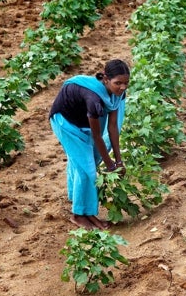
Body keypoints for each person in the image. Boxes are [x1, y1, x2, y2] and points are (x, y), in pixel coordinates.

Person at [50, 59, 130, 229]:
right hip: (66, 122)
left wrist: (119, 161)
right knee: (87, 170)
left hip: (84, 120)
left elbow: (113, 127)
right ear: (106, 79)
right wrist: (109, 165)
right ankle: (79, 215)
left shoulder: (117, 94)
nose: (122, 87)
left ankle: (84, 209)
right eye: (118, 83)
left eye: (126, 83)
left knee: (86, 162)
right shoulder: (93, 98)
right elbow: (96, 136)